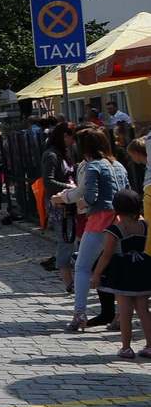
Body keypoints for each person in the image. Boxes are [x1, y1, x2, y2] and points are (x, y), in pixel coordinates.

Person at [68, 125, 127, 333]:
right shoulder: (118, 165)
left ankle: (79, 313)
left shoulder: (93, 166)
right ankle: (121, 315)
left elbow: (91, 196)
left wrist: (82, 203)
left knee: (83, 267)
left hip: (99, 222)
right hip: (120, 222)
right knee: (119, 269)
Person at [95, 190, 151, 359]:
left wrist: (96, 274)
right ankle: (150, 345)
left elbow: (106, 255)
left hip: (123, 272)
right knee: (144, 310)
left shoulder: (114, 230)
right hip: (142, 268)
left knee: (125, 310)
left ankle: (126, 348)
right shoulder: (144, 225)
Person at [41, 123, 77, 296]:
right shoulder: (51, 155)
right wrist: (70, 187)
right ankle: (68, 283)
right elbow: (47, 181)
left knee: (71, 241)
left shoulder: (64, 154)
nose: (73, 141)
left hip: (69, 202)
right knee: (65, 241)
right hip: (59, 205)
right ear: (64, 136)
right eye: (72, 137)